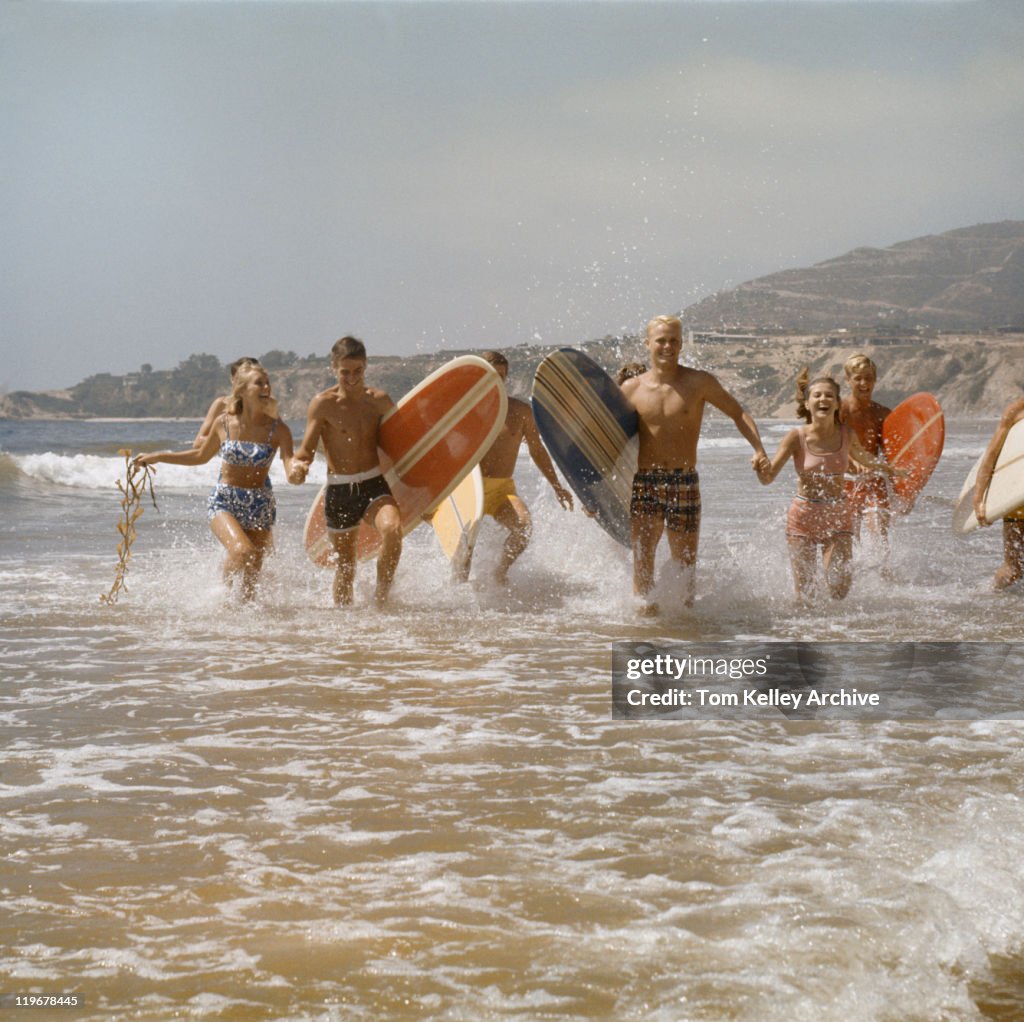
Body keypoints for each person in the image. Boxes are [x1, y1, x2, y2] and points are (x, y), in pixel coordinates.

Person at [619, 314, 769, 614]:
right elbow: (610, 444)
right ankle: (644, 635)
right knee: (643, 559)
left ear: (682, 344)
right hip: (644, 481)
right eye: (661, 340)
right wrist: (592, 492)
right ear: (647, 343)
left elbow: (738, 413)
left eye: (674, 340)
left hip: (684, 480)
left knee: (685, 563)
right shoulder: (631, 389)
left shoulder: (699, 382)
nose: (667, 346)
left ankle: (685, 632)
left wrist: (759, 448)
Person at [135, 365, 300, 600]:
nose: (266, 387)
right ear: (241, 390)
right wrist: (158, 456)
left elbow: (289, 463)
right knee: (243, 552)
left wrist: (296, 472)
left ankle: (242, 625)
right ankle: (219, 599)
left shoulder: (278, 429)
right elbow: (199, 456)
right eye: (259, 383)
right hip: (225, 500)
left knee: (252, 576)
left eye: (267, 382)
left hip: (260, 504)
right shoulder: (224, 423)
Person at [756, 369, 901, 602]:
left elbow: (866, 458)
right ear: (807, 403)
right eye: (817, 395)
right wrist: (761, 469)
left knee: (840, 590)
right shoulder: (796, 437)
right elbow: (768, 478)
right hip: (803, 516)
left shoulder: (847, 434)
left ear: (836, 404)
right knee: (806, 595)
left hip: (838, 514)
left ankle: (836, 633)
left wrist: (894, 470)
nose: (823, 399)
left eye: (829, 396)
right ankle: (807, 636)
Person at [290, 336, 402, 607]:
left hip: (374, 483)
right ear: (333, 368)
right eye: (345, 372)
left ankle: (381, 600)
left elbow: (402, 445)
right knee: (346, 566)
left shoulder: (379, 401)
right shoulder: (323, 404)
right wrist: (299, 468)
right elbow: (305, 450)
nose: (352, 378)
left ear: (366, 367)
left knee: (393, 529)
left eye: (358, 371)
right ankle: (345, 629)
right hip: (340, 490)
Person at [466, 350, 574, 584]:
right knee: (462, 551)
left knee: (523, 527)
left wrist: (557, 486)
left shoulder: (521, 412)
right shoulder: (464, 412)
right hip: (467, 490)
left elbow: (537, 451)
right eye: (491, 375)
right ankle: (458, 595)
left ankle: (499, 573)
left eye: (501, 376)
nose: (497, 380)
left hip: (500, 491)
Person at [841, 353, 894, 542]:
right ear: (848, 380)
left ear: (875, 380)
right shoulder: (841, 410)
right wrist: (855, 461)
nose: (864, 383)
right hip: (845, 479)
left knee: (881, 538)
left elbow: (893, 453)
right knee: (850, 539)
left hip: (874, 480)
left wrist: (904, 487)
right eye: (858, 378)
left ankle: (884, 571)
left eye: (869, 378)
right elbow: (831, 445)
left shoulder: (883, 413)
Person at [972, 397, 1024, 590]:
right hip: (1018, 497)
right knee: (1014, 568)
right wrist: (979, 497)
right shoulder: (1016, 410)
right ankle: (988, 594)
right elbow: (992, 455)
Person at [193, 356, 264, 448]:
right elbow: (197, 444)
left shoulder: (266, 406)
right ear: (232, 379)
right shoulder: (221, 404)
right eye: (241, 378)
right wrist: (228, 438)